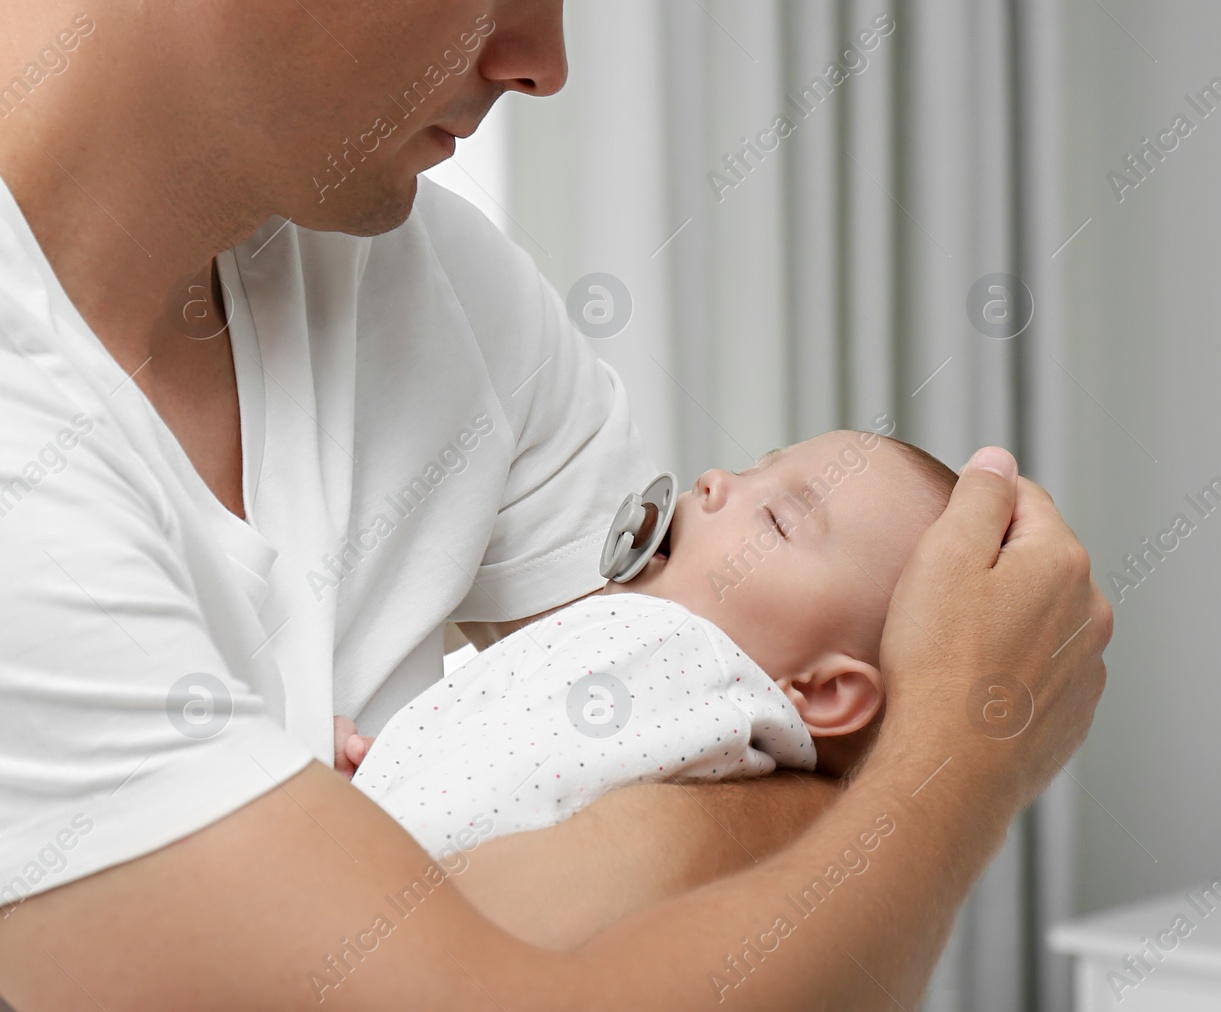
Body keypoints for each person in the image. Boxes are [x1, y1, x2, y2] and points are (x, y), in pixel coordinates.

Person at [0, 3, 1112, 1009]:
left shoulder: (432, 285)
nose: (544, 63)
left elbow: (720, 713)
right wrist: (953, 760)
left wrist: (439, 909)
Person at [347, 431, 951, 858]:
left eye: (778, 521)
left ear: (824, 691)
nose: (713, 481)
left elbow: (450, 822)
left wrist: (334, 815)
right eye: (749, 470)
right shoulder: (706, 733)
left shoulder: (676, 650)